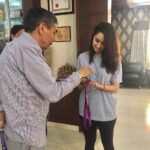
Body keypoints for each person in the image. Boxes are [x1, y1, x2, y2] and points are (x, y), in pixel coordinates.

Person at [0, 7, 93, 150]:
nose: (55, 38)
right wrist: (78, 75)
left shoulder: (11, 47)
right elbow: (53, 92)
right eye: (54, 32)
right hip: (27, 134)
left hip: (15, 129)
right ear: (42, 28)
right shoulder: (27, 50)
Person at [77, 22, 122, 150]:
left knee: (108, 145)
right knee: (89, 144)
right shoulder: (82, 57)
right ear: (93, 37)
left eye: (103, 43)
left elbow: (116, 88)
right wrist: (81, 83)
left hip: (106, 111)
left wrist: (98, 85)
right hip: (86, 110)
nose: (98, 45)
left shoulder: (114, 59)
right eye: (96, 40)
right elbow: (78, 86)